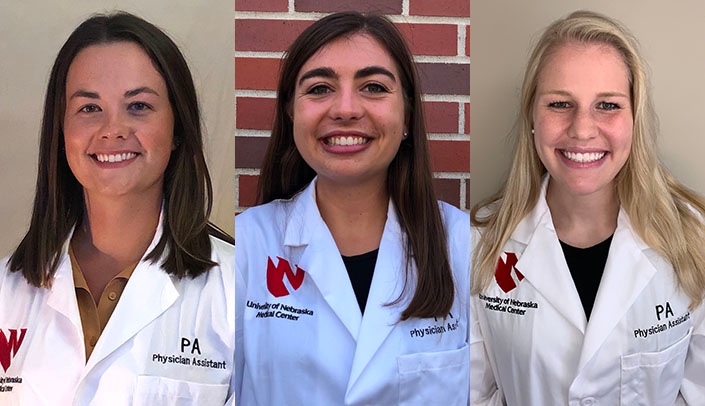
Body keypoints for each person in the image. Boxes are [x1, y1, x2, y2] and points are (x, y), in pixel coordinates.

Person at [470, 10, 705, 405]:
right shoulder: (478, 244)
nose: (582, 129)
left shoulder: (694, 237)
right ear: (532, 116)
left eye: (608, 105)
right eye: (560, 103)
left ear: (634, 120)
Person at [235, 11, 470, 405]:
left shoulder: (465, 244)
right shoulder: (245, 246)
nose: (345, 109)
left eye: (374, 87)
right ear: (291, 111)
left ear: (407, 115)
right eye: (319, 88)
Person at [0, 12, 235, 405]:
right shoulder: (6, 293)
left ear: (178, 128)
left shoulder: (241, 293)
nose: (113, 129)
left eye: (139, 105)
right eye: (89, 109)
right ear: (61, 131)